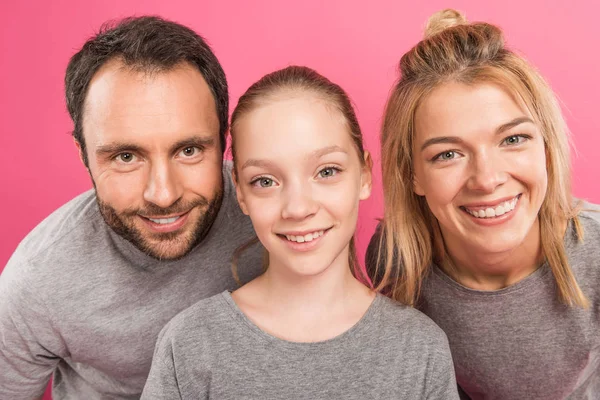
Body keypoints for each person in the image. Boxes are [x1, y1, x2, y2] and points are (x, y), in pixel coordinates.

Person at [140, 66, 459, 399]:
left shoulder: (419, 349)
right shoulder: (190, 345)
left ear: (364, 174)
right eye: (265, 181)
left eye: (326, 171)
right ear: (241, 193)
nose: (298, 207)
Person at [0, 16, 263, 399]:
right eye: (126, 156)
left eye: (189, 150)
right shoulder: (38, 280)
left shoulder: (274, 219)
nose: (163, 194)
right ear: (84, 155)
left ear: (224, 141)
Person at [366, 9, 600, 400]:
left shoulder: (593, 253)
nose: (487, 179)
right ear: (412, 176)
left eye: (512, 140)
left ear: (546, 146)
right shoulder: (396, 259)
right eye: (447, 154)